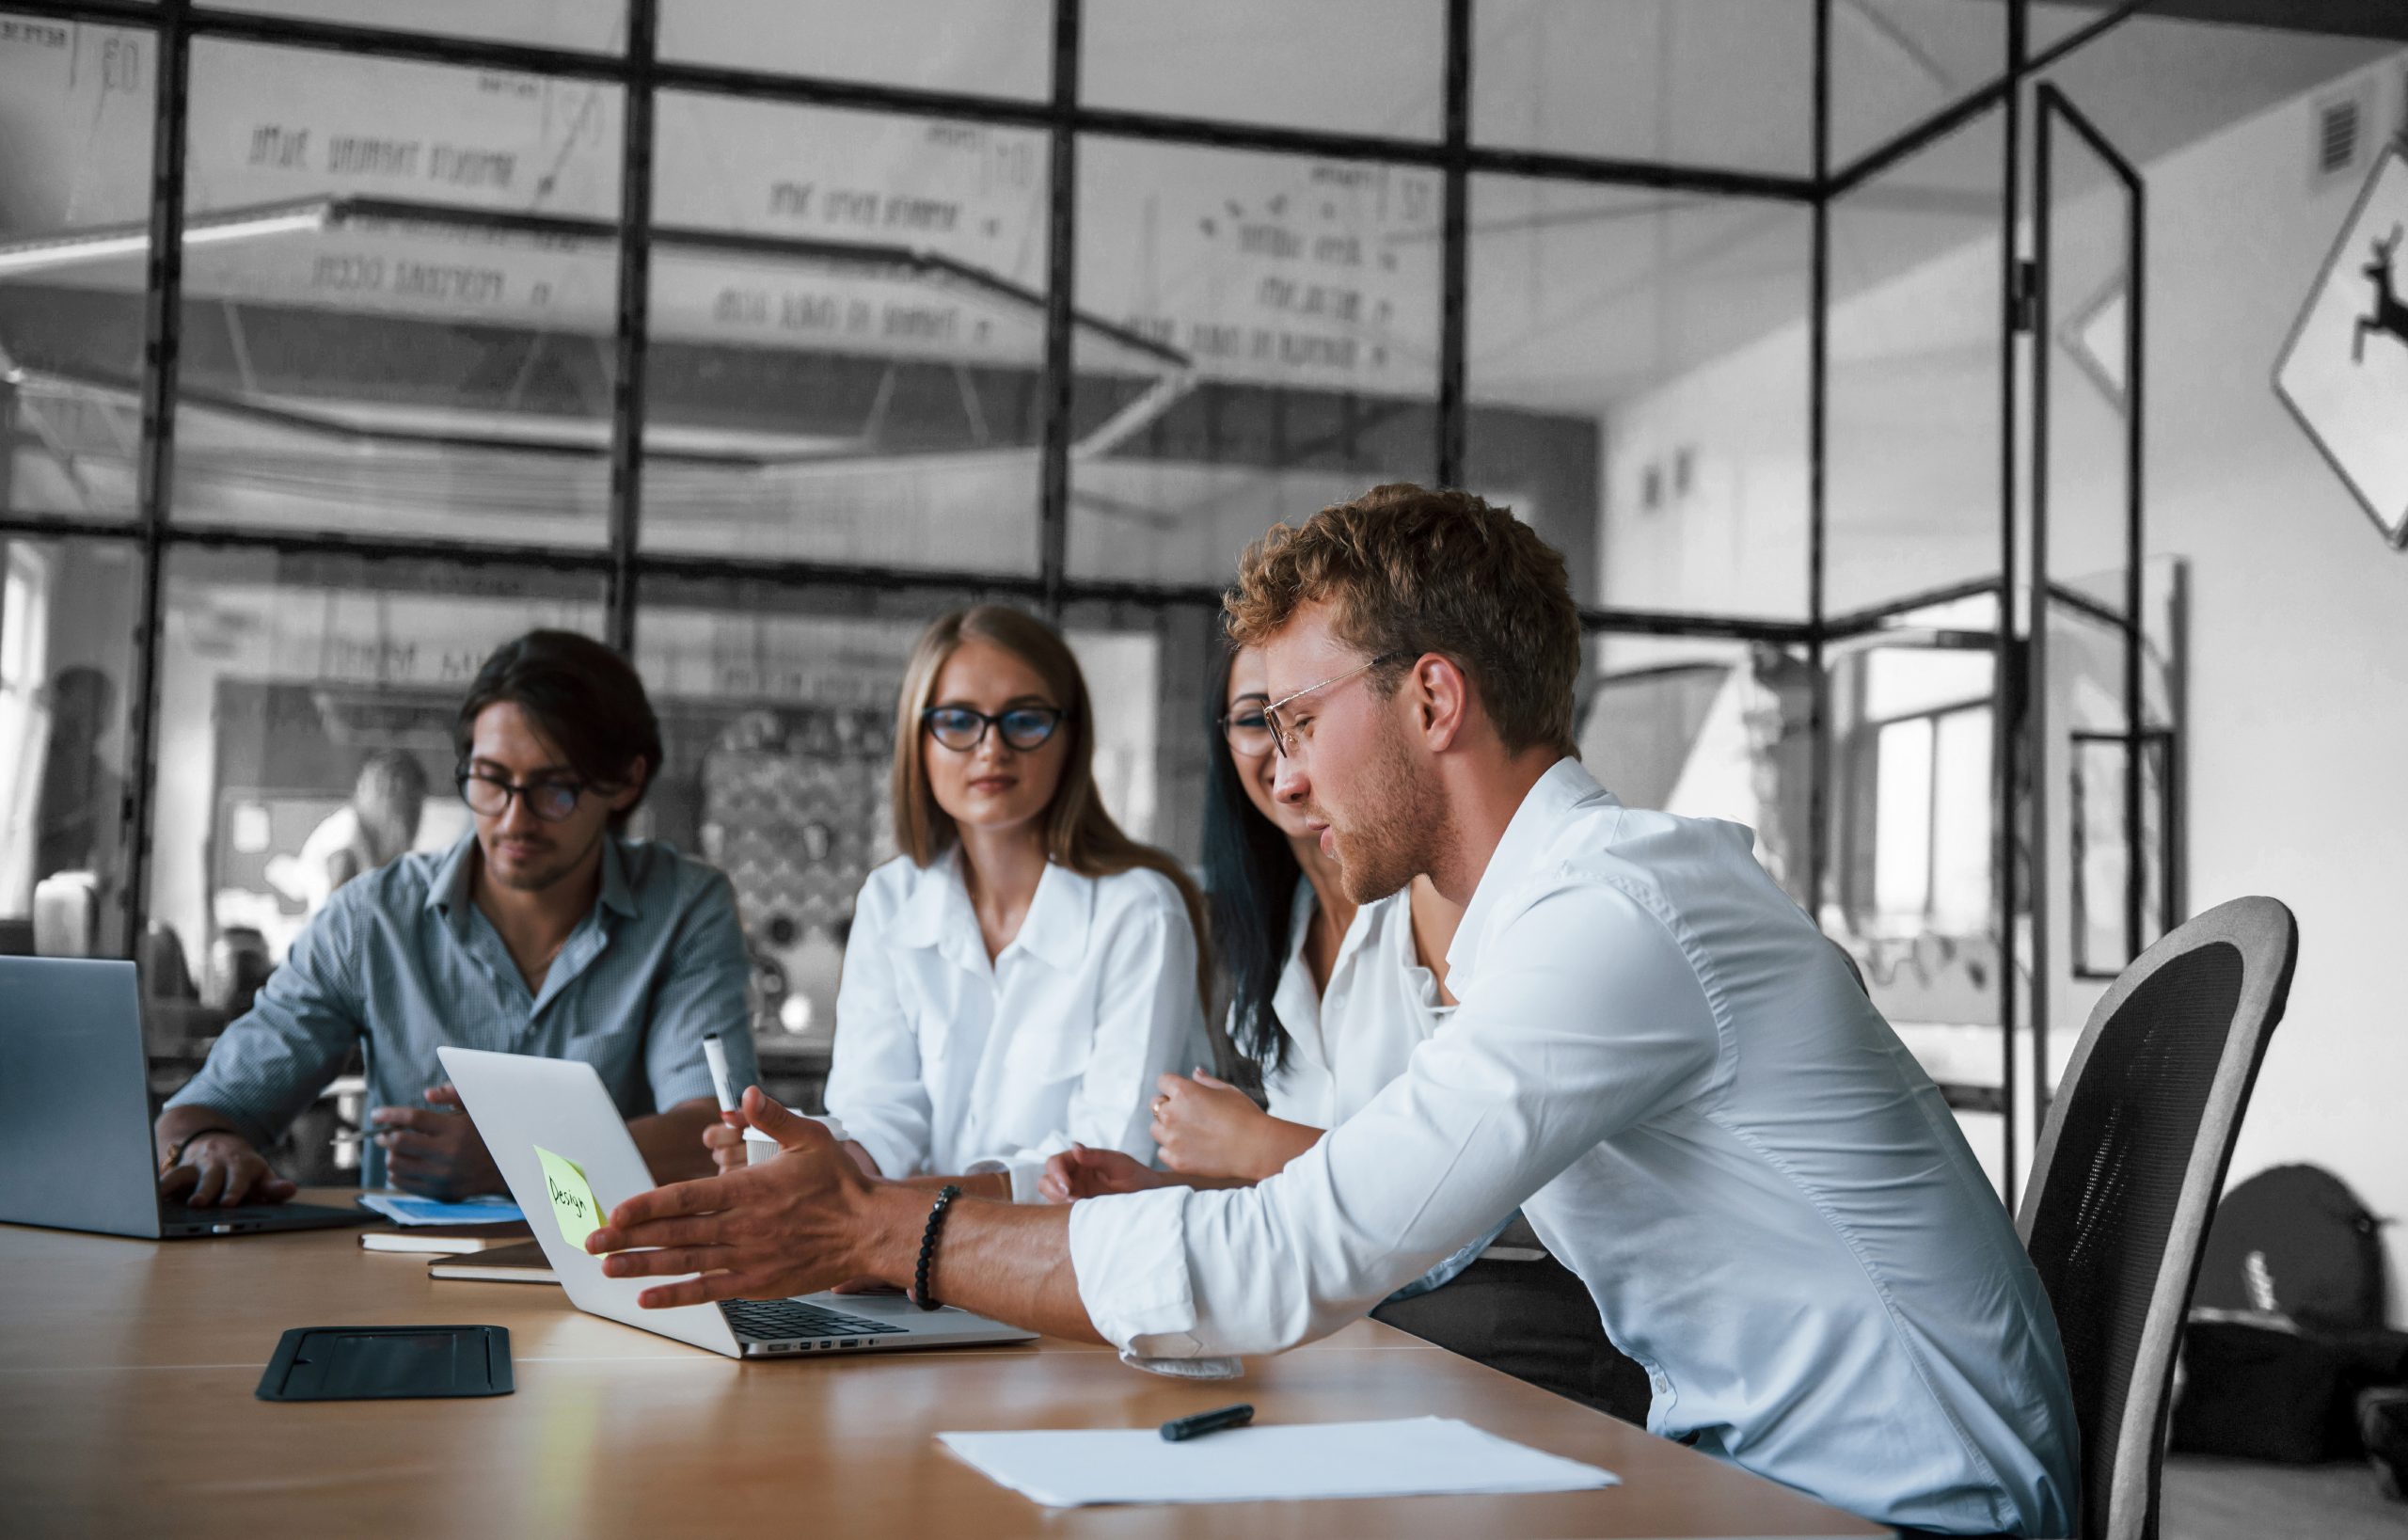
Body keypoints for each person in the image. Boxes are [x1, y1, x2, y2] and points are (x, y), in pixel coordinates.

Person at [592, 487, 2078, 1538]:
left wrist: (875, 1228)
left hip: (1895, 1510)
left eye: (1302, 723)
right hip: (1770, 1482)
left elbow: (1296, 1259)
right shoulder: (1550, 922)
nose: (1281, 777)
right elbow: (1396, 1202)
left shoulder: (1614, 916)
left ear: (1434, 700)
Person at [1040, 640, 1650, 1421]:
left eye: (1305, 717)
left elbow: (1473, 1190)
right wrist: (1172, 1189)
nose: (1290, 760)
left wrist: (1254, 1145)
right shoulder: (1265, 931)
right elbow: (1330, 1203)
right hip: (1366, 1315)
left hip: (1493, 1315)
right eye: (1258, 721)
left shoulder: (1470, 899)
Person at [157, 629, 758, 1207]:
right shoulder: (374, 919)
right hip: (404, 1285)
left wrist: (516, 1157)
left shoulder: (684, 908)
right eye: (491, 781)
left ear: (625, 781)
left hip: (626, 1278)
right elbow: (200, 1113)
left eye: (555, 790)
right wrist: (212, 1147)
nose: (513, 820)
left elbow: (715, 1139)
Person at [705, 605, 1208, 1204]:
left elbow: (1105, 1162)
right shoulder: (892, 899)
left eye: (1025, 720)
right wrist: (810, 1158)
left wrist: (880, 1206)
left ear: (1071, 738)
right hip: (909, 1269)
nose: (991, 748)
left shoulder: (1140, 911)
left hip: (1077, 1269)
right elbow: (878, 1114)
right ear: (919, 740)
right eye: (958, 721)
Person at [292, 750, 429, 913]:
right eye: (409, 803)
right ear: (384, 791)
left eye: (416, 806)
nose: (413, 816)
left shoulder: (379, 835)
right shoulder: (345, 832)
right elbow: (337, 912)